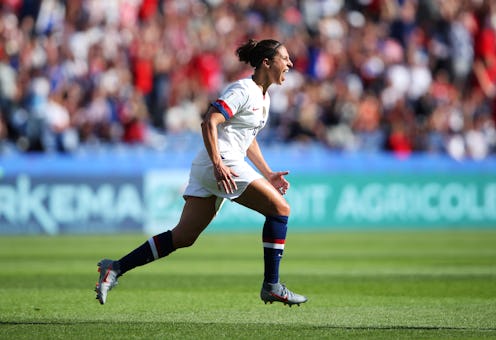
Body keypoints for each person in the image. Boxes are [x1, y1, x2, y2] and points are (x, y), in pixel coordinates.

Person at [95, 39, 308, 307]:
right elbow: (209, 121)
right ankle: (272, 286)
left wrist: (267, 173)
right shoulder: (243, 89)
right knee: (280, 209)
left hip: (215, 164)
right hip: (221, 163)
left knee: (183, 236)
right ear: (267, 62)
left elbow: (246, 135)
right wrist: (218, 164)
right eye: (285, 58)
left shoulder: (263, 98)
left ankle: (114, 268)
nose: (290, 63)